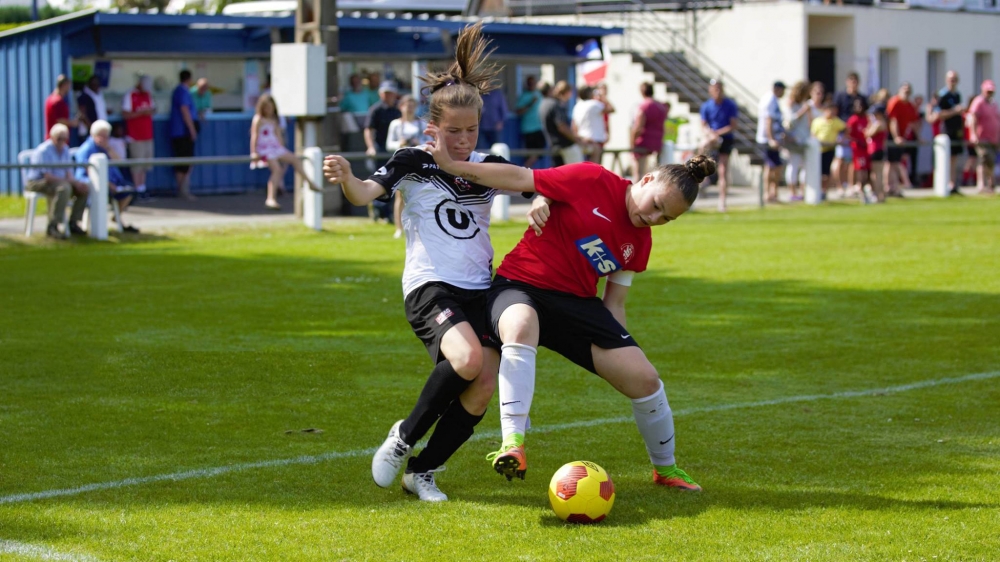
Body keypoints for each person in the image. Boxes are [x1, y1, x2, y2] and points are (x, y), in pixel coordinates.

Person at [322, 22, 535, 503]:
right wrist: (348, 177)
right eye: (453, 131)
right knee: (468, 359)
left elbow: (534, 184)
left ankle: (422, 471)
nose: (462, 140)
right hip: (430, 285)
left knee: (482, 385)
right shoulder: (413, 160)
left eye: (471, 130)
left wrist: (539, 203)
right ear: (432, 128)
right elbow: (364, 194)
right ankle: (403, 436)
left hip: (479, 289)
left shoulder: (486, 164)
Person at [423, 139, 710, 491]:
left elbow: (615, 303)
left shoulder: (641, 241)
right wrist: (454, 167)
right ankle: (513, 443)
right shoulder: (592, 179)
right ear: (647, 179)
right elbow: (520, 177)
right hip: (521, 286)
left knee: (646, 380)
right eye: (656, 206)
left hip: (577, 305)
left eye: (666, 218)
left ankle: (666, 469)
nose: (653, 218)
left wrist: (620, 349)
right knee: (521, 325)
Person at [250, 93, 321, 210]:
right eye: (266, 108)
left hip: (275, 147)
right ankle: (271, 198)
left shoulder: (274, 120)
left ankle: (309, 182)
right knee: (276, 170)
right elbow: (254, 136)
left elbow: (278, 136)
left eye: (271, 108)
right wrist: (254, 152)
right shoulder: (258, 119)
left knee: (295, 159)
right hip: (264, 149)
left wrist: (283, 150)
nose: (269, 110)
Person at [74, 120, 139, 233]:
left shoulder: (104, 148)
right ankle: (98, 229)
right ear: (94, 135)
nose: (105, 139)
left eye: (107, 136)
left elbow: (119, 161)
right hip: (92, 183)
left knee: (131, 190)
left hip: (111, 182)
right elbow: (88, 171)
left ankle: (117, 218)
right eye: (102, 136)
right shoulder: (87, 149)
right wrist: (107, 184)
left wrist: (108, 148)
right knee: (108, 190)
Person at [26, 124, 88, 238]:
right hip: (37, 182)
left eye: (65, 139)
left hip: (59, 181)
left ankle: (73, 223)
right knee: (64, 188)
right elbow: (48, 177)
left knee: (84, 189)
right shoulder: (43, 151)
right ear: (52, 137)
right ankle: (53, 225)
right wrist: (68, 182)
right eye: (59, 138)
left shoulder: (66, 150)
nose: (62, 141)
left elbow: (69, 174)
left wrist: (77, 184)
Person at [385, 94, 428, 238]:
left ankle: (420, 226)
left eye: (412, 106)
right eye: (407, 106)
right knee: (399, 196)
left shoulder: (422, 124)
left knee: (421, 194)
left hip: (419, 162)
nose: (409, 109)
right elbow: (389, 144)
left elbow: (429, 141)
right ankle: (399, 228)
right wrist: (400, 143)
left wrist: (419, 143)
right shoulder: (395, 124)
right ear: (401, 107)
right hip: (401, 162)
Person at [364, 80, 402, 222]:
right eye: (385, 93)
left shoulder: (398, 110)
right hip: (380, 150)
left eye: (390, 93)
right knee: (380, 180)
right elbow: (368, 129)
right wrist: (371, 147)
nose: (387, 96)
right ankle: (378, 211)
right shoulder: (375, 109)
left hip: (395, 150)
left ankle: (389, 214)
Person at [700, 79, 739, 211]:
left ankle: (722, 201)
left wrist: (718, 133)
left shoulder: (730, 105)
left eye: (719, 88)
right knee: (702, 147)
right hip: (712, 138)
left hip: (725, 138)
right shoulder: (706, 106)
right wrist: (711, 134)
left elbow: (733, 125)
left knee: (723, 170)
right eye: (715, 88)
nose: (717, 91)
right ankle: (702, 175)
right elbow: (703, 125)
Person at [928, 71, 965, 195]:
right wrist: (954, 111)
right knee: (945, 158)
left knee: (954, 158)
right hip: (946, 130)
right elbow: (938, 114)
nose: (952, 81)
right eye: (950, 79)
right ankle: (943, 184)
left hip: (956, 129)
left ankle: (952, 184)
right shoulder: (943, 95)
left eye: (954, 79)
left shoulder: (957, 95)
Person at [832, 72, 867, 196]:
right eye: (851, 80)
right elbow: (835, 113)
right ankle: (839, 186)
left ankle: (851, 185)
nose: (853, 83)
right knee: (840, 159)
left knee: (853, 161)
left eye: (855, 81)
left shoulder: (861, 98)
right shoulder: (840, 96)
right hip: (842, 132)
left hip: (855, 134)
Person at [122, 74, 156, 195]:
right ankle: (137, 190)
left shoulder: (148, 94)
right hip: (135, 136)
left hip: (148, 134)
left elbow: (153, 109)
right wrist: (141, 113)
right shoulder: (130, 95)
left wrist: (149, 111)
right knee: (137, 164)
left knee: (146, 164)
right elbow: (125, 114)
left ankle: (142, 188)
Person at [169, 70, 199, 200]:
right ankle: (183, 190)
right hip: (182, 133)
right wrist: (192, 129)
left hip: (180, 132)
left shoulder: (180, 91)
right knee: (185, 161)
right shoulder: (182, 91)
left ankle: (182, 189)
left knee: (183, 161)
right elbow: (185, 110)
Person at [886, 82, 919, 197]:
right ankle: (891, 187)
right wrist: (896, 137)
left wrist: (919, 137)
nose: (906, 91)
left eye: (908, 89)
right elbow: (893, 121)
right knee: (892, 162)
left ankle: (891, 187)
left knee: (894, 162)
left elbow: (913, 123)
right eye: (904, 89)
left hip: (901, 137)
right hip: (891, 136)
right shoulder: (895, 102)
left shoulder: (909, 105)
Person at [845, 98, 880, 203]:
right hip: (858, 149)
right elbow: (848, 135)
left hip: (868, 149)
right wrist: (858, 141)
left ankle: (869, 191)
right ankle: (861, 191)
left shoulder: (868, 118)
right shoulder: (853, 120)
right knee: (861, 171)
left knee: (869, 171)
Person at [967, 79, 999, 194]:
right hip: (982, 137)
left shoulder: (993, 103)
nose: (990, 93)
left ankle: (990, 183)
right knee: (984, 158)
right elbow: (973, 118)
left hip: (993, 138)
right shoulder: (978, 102)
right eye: (988, 91)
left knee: (990, 161)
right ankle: (981, 184)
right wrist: (973, 134)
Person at [757, 81, 786, 203]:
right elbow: (768, 120)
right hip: (768, 140)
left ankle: (773, 193)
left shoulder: (773, 99)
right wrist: (771, 139)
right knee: (770, 166)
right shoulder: (770, 100)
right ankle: (767, 194)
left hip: (772, 138)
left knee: (776, 166)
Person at [631, 82, 667, 182]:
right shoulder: (661, 106)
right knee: (655, 174)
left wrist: (632, 143)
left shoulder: (644, 106)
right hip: (657, 142)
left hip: (644, 142)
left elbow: (638, 127)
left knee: (639, 173)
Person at [784, 81, 812, 203]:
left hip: (804, 138)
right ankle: (792, 192)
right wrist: (803, 111)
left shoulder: (804, 104)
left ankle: (802, 191)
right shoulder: (791, 103)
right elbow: (790, 121)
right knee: (793, 165)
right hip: (794, 139)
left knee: (805, 167)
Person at [811, 102, 845, 199]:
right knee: (817, 172)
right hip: (818, 150)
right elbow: (813, 134)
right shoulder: (817, 121)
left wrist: (841, 139)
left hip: (829, 149)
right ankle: (816, 190)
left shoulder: (836, 121)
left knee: (826, 173)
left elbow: (846, 128)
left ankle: (824, 191)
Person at [544, 81, 582, 167]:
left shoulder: (546, 103)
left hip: (553, 145)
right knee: (577, 171)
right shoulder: (556, 105)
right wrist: (576, 139)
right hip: (565, 145)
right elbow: (562, 126)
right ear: (567, 92)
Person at [515, 75, 546, 169]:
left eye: (534, 83)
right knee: (531, 153)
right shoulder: (524, 96)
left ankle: (527, 168)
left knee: (540, 150)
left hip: (539, 127)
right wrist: (530, 103)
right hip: (528, 129)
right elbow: (518, 111)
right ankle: (525, 168)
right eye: (530, 83)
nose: (532, 85)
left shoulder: (539, 94)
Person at [572, 85, 608, 164]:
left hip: (582, 139)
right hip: (595, 140)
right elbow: (611, 109)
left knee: (585, 166)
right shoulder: (595, 104)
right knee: (596, 166)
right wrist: (602, 97)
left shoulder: (577, 106)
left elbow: (574, 125)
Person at [44, 75, 78, 140]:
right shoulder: (57, 101)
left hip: (54, 138)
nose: (69, 89)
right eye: (68, 86)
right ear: (64, 85)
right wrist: (73, 123)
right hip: (58, 139)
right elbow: (59, 120)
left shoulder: (50, 98)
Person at [77, 75, 109, 142]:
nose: (96, 86)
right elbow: (82, 114)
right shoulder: (84, 96)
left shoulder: (99, 94)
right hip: (89, 131)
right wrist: (91, 128)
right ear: (89, 84)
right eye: (93, 84)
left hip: (99, 130)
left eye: (97, 84)